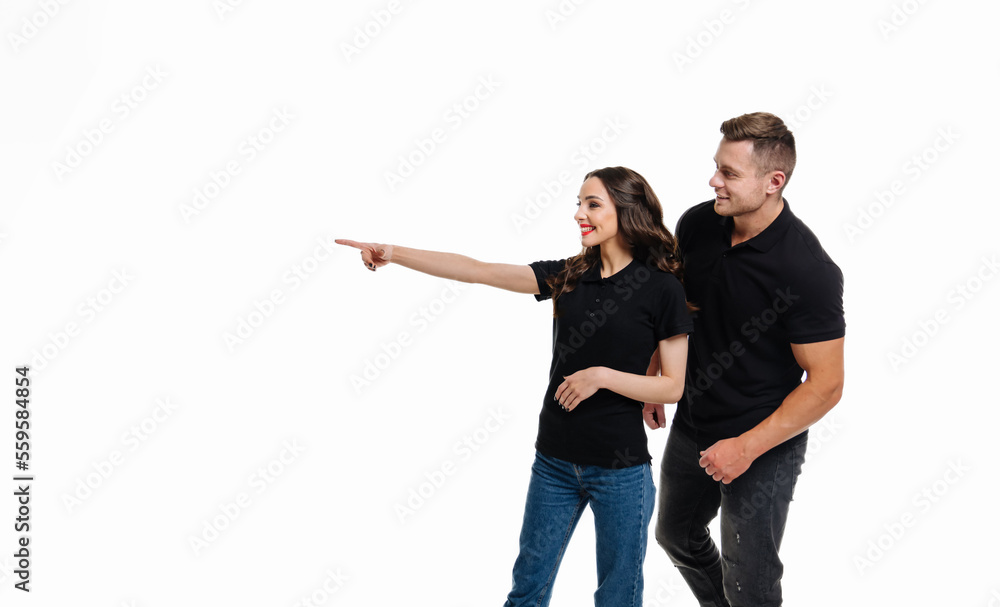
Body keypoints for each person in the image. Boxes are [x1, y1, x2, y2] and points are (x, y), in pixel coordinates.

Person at [337, 166, 693, 607]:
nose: (579, 213)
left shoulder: (661, 289)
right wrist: (392, 252)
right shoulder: (567, 277)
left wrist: (600, 376)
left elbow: (673, 387)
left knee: (618, 597)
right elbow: (475, 270)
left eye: (592, 204)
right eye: (578, 204)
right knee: (526, 592)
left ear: (627, 210)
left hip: (621, 473)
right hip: (555, 463)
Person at [644, 112, 846, 607]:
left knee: (750, 583)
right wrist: (656, 368)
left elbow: (826, 385)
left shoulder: (808, 269)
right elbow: (680, 304)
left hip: (765, 439)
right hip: (695, 419)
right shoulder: (699, 224)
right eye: (717, 167)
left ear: (774, 182)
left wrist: (746, 447)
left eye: (729, 173)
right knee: (676, 535)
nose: (714, 181)